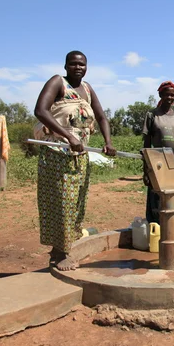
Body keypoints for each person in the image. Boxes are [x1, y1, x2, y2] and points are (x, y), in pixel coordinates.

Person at [34, 50, 116, 271]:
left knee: (76, 204)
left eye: (82, 64)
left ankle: (64, 246)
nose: (78, 68)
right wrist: (68, 136)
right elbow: (40, 111)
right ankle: (59, 254)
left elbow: (101, 117)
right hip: (57, 155)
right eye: (73, 64)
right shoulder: (57, 82)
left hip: (80, 157)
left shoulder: (87, 89)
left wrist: (108, 141)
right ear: (65, 66)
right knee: (61, 204)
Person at [142, 81, 174, 223]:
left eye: (172, 95)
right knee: (157, 200)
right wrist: (146, 170)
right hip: (159, 166)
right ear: (160, 95)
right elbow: (146, 145)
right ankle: (156, 229)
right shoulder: (152, 116)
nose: (169, 98)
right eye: (167, 94)